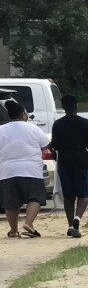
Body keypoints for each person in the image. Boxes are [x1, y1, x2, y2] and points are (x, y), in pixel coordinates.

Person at [48, 95, 88, 239]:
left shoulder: (57, 124)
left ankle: (70, 224)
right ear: (76, 105)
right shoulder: (84, 123)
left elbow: (55, 145)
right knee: (83, 194)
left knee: (68, 195)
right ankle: (77, 218)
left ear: (63, 107)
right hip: (81, 160)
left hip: (65, 160)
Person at [0, 100, 50, 238]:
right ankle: (28, 223)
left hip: (7, 171)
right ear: (23, 114)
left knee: (10, 203)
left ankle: (13, 230)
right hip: (31, 169)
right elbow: (45, 145)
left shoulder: (1, 129)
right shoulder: (33, 128)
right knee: (35, 198)